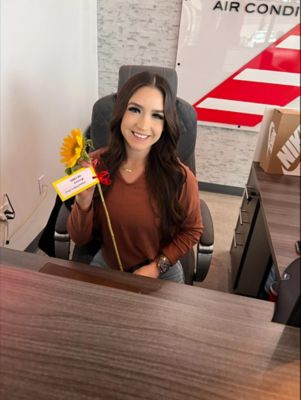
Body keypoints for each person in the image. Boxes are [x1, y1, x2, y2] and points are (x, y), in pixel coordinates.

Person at [67, 71, 203, 283]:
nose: (142, 125)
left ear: (166, 123)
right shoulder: (95, 165)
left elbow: (192, 230)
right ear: (121, 112)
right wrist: (83, 203)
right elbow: (80, 238)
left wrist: (157, 267)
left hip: (161, 271)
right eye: (135, 110)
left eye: (157, 115)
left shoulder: (181, 177)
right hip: (108, 265)